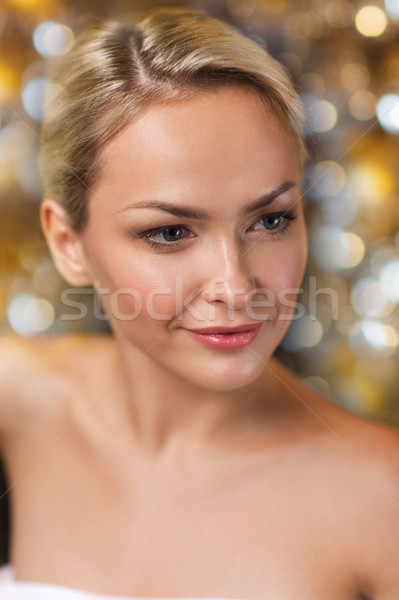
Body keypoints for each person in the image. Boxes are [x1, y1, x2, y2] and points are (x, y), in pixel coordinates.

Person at [0, 7, 398, 600]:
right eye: (169, 233)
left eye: (270, 220)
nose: (236, 288)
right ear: (68, 244)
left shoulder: (380, 498)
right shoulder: (21, 403)